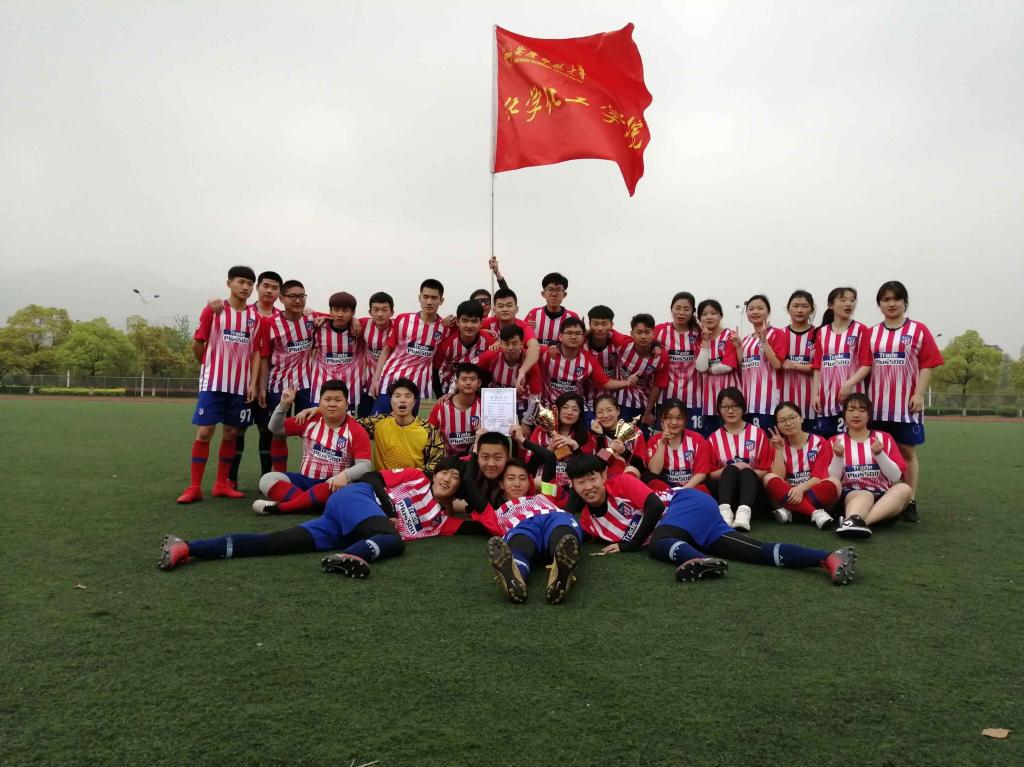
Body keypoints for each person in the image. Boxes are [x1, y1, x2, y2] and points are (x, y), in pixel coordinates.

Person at [159, 459, 465, 578]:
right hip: (356, 499)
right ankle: (350, 557)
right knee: (393, 541)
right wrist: (388, 513)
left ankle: (189, 547)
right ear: (434, 474)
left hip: (348, 528)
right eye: (444, 472)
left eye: (455, 478)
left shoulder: (440, 521)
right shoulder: (415, 477)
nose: (447, 479)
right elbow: (371, 478)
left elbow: (479, 525)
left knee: (276, 542)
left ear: (459, 490)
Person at [646, 488, 857, 586]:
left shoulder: (628, 484)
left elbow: (654, 505)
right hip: (696, 515)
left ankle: (697, 558)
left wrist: (630, 544)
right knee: (757, 551)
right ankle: (828, 557)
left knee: (658, 541)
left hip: (685, 503)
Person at [177, 265, 261, 504]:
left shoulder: (254, 317)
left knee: (232, 433)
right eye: (241, 282)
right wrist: (209, 366)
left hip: (240, 386)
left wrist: (253, 383)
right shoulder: (213, 310)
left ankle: (221, 484)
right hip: (213, 383)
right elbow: (197, 344)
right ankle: (194, 487)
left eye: (249, 284)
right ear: (229, 283)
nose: (245, 287)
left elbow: (256, 352)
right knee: (205, 432)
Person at [867, 280, 943, 522]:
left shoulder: (918, 330)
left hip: (905, 405)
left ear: (905, 302)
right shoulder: (871, 333)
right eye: (886, 299)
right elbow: (864, 367)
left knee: (907, 450)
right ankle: (881, 496)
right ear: (879, 304)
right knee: (876, 451)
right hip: (876, 405)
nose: (891, 303)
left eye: (896, 299)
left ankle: (909, 500)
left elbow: (928, 364)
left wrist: (919, 393)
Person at [250, 381, 372, 514]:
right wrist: (284, 405)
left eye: (338, 400)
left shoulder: (356, 430)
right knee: (266, 480)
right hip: (304, 480)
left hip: (332, 483)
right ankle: (311, 503)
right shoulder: (310, 419)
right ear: (320, 403)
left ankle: (282, 507)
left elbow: (364, 465)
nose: (332, 404)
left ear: (347, 405)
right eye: (327, 400)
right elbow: (275, 428)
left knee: (338, 489)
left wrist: (345, 475)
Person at [477, 459, 583, 604]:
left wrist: (541, 484)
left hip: (552, 516)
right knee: (520, 539)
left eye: (522, 478)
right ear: (501, 483)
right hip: (521, 525)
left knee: (563, 530)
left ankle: (561, 569)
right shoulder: (495, 512)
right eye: (511, 478)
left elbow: (549, 458)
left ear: (529, 482)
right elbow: (469, 486)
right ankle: (515, 577)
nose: (517, 484)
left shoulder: (543, 494)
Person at [828, 393, 912, 538]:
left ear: (869, 415)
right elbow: (833, 479)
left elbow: (895, 476)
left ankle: (857, 523)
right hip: (852, 495)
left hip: (884, 499)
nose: (856, 414)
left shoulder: (884, 438)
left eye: (862, 410)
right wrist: (838, 457)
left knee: (904, 488)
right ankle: (856, 521)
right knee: (864, 494)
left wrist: (880, 454)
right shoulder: (834, 441)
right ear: (844, 414)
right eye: (851, 410)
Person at [255, 279, 317, 472]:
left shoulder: (312, 319)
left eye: (301, 296)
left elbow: (339, 317)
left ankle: (311, 473)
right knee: (278, 432)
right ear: (281, 299)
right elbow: (264, 357)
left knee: (310, 430)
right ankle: (278, 475)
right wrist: (262, 388)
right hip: (278, 385)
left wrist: (355, 320)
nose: (298, 301)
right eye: (292, 297)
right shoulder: (269, 323)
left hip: (307, 385)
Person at [227, 270, 282, 488]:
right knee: (236, 430)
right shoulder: (244, 313)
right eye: (265, 286)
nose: (269, 291)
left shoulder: (282, 318)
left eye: (275, 288)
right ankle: (231, 478)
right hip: (240, 383)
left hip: (269, 384)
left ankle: (265, 479)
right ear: (257, 288)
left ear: (280, 293)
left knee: (266, 429)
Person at [370, 278, 447, 413]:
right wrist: (375, 379)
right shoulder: (403, 319)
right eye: (425, 297)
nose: (429, 302)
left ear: (441, 301)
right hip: (391, 380)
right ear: (419, 298)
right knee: (377, 422)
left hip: (418, 387)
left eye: (434, 298)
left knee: (409, 425)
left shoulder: (445, 328)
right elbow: (387, 349)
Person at [763, 401, 841, 530]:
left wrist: (800, 489)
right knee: (768, 478)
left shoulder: (819, 442)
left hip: (810, 492)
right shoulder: (777, 444)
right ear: (778, 425)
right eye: (782, 421)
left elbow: (819, 476)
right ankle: (814, 513)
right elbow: (778, 477)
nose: (788, 423)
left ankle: (790, 510)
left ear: (801, 418)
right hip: (788, 492)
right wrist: (779, 450)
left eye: (792, 418)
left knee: (834, 483)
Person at [706, 387, 773, 532]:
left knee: (747, 472)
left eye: (735, 406)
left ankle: (744, 514)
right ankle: (725, 512)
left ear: (743, 407)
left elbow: (766, 470)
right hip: (724, 492)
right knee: (731, 469)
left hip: (753, 493)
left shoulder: (758, 434)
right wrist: (733, 468)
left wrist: (747, 469)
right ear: (719, 410)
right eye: (725, 407)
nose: (730, 411)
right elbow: (710, 475)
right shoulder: (713, 438)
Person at [811, 287, 872, 438]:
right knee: (825, 444)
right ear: (830, 305)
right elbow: (817, 366)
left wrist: (848, 384)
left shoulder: (860, 329)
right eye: (843, 300)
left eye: (852, 300)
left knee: (850, 444)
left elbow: (866, 365)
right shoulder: (822, 332)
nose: (848, 304)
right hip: (826, 401)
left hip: (851, 400)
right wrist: (815, 394)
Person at [357, 378, 446, 472]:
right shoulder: (377, 422)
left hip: (413, 479)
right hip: (383, 479)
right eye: (397, 396)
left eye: (407, 396)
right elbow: (352, 426)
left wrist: (416, 474)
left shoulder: (428, 430)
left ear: (414, 402)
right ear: (391, 401)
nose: (402, 400)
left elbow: (437, 462)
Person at [541, 317, 635, 403]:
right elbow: (532, 349)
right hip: (547, 406)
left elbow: (605, 382)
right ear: (560, 336)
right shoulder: (545, 352)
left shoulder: (589, 360)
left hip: (577, 408)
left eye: (578, 333)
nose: (573, 337)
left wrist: (627, 382)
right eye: (569, 333)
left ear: (583, 337)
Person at [521, 391, 596, 491]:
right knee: (538, 483)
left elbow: (588, 469)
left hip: (574, 489)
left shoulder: (586, 435)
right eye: (565, 407)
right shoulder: (541, 430)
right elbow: (529, 465)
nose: (569, 412)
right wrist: (549, 450)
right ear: (557, 409)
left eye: (575, 409)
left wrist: (575, 447)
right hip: (544, 487)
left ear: (580, 413)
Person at [735, 294, 786, 431]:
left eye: (760, 308)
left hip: (768, 404)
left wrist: (764, 342)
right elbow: (742, 367)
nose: (755, 312)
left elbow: (777, 365)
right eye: (751, 309)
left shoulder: (777, 333)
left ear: (768, 311)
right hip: (747, 403)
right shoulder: (746, 339)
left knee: (769, 440)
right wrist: (738, 347)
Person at [655, 291, 703, 433]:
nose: (681, 313)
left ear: (693, 311)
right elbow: (640, 338)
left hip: (694, 399)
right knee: (665, 438)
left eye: (686, 309)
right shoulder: (660, 331)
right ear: (671, 309)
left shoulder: (700, 332)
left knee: (693, 439)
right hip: (666, 397)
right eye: (677, 308)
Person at [308, 291, 363, 413]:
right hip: (321, 386)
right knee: (318, 422)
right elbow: (305, 312)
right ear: (330, 311)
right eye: (336, 310)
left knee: (346, 423)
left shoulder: (359, 329)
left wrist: (354, 320)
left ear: (353, 312)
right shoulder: (319, 327)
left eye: (345, 311)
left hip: (350, 387)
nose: (340, 314)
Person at [473, 323, 542, 418]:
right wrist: (452, 393)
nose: (510, 348)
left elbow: (535, 396)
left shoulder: (529, 363)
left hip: (520, 407)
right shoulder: (492, 355)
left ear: (522, 343)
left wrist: (526, 422)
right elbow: (467, 368)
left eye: (514, 343)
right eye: (506, 343)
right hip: (494, 404)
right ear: (500, 344)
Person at [644, 398, 712, 492]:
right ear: (662, 419)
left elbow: (701, 473)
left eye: (679, 418)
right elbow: (654, 471)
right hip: (665, 490)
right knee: (648, 479)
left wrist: (682, 491)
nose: (674, 422)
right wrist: (662, 443)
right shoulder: (654, 441)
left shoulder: (697, 440)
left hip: (691, 489)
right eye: (669, 417)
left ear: (685, 420)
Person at [694, 299, 740, 437]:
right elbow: (701, 367)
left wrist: (710, 369)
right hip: (709, 400)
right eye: (704, 314)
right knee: (712, 439)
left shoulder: (729, 335)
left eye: (713, 313)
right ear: (699, 318)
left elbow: (728, 366)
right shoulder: (700, 339)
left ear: (720, 316)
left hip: (730, 398)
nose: (709, 317)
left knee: (731, 437)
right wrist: (706, 342)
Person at [615, 313, 669, 429]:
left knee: (644, 439)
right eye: (639, 332)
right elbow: (601, 330)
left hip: (644, 405)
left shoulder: (662, 356)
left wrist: (648, 412)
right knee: (622, 438)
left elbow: (657, 385)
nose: (643, 336)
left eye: (647, 332)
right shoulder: (622, 343)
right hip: (621, 404)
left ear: (653, 333)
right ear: (632, 334)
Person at [480, 287, 541, 387]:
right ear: (494, 310)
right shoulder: (486, 323)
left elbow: (535, 347)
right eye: (500, 306)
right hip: (488, 375)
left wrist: (522, 371)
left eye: (509, 306)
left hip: (516, 373)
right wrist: (481, 331)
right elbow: (466, 325)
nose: (505, 309)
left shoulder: (523, 327)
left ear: (516, 309)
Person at [431, 300, 495, 395]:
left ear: (481, 323)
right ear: (457, 322)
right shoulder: (447, 342)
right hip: (447, 388)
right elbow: (435, 370)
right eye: (465, 321)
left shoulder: (488, 341)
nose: (469, 325)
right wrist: (439, 395)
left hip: (474, 389)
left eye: (474, 321)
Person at [583, 305, 628, 425]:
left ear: (611, 325)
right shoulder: (581, 343)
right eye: (595, 324)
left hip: (612, 400)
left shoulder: (618, 344)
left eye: (604, 324)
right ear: (589, 324)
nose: (600, 328)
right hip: (586, 400)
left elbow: (637, 341)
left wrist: (655, 344)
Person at [779, 290, 818, 432]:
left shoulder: (819, 334)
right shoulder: (780, 334)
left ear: (812, 309)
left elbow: (822, 367)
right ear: (788, 309)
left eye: (804, 306)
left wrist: (796, 365)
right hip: (784, 399)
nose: (800, 310)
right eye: (795, 306)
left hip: (811, 402)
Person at [427, 363, 483, 457]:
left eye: (472, 379)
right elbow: (428, 434)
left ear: (479, 383)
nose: (468, 383)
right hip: (444, 460)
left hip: (473, 460)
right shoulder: (441, 407)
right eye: (464, 379)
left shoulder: (484, 408)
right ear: (456, 383)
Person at [356, 291, 394, 417]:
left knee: (385, 421)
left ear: (392, 312)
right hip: (367, 383)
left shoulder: (398, 327)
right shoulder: (364, 324)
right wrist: (352, 319)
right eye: (376, 310)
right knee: (364, 420)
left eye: (384, 310)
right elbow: (340, 317)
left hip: (388, 382)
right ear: (370, 312)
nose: (380, 314)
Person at [590, 393, 647, 477]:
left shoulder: (634, 432)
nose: (605, 415)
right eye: (600, 412)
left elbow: (642, 467)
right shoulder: (594, 434)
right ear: (595, 415)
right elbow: (598, 465)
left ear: (618, 411)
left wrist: (624, 452)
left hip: (630, 478)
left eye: (609, 410)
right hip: (604, 478)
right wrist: (600, 436)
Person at [525, 271, 578, 347]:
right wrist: (526, 328)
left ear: (564, 294)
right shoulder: (533, 314)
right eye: (550, 290)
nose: (554, 294)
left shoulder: (572, 317)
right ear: (543, 294)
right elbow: (521, 337)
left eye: (558, 290)